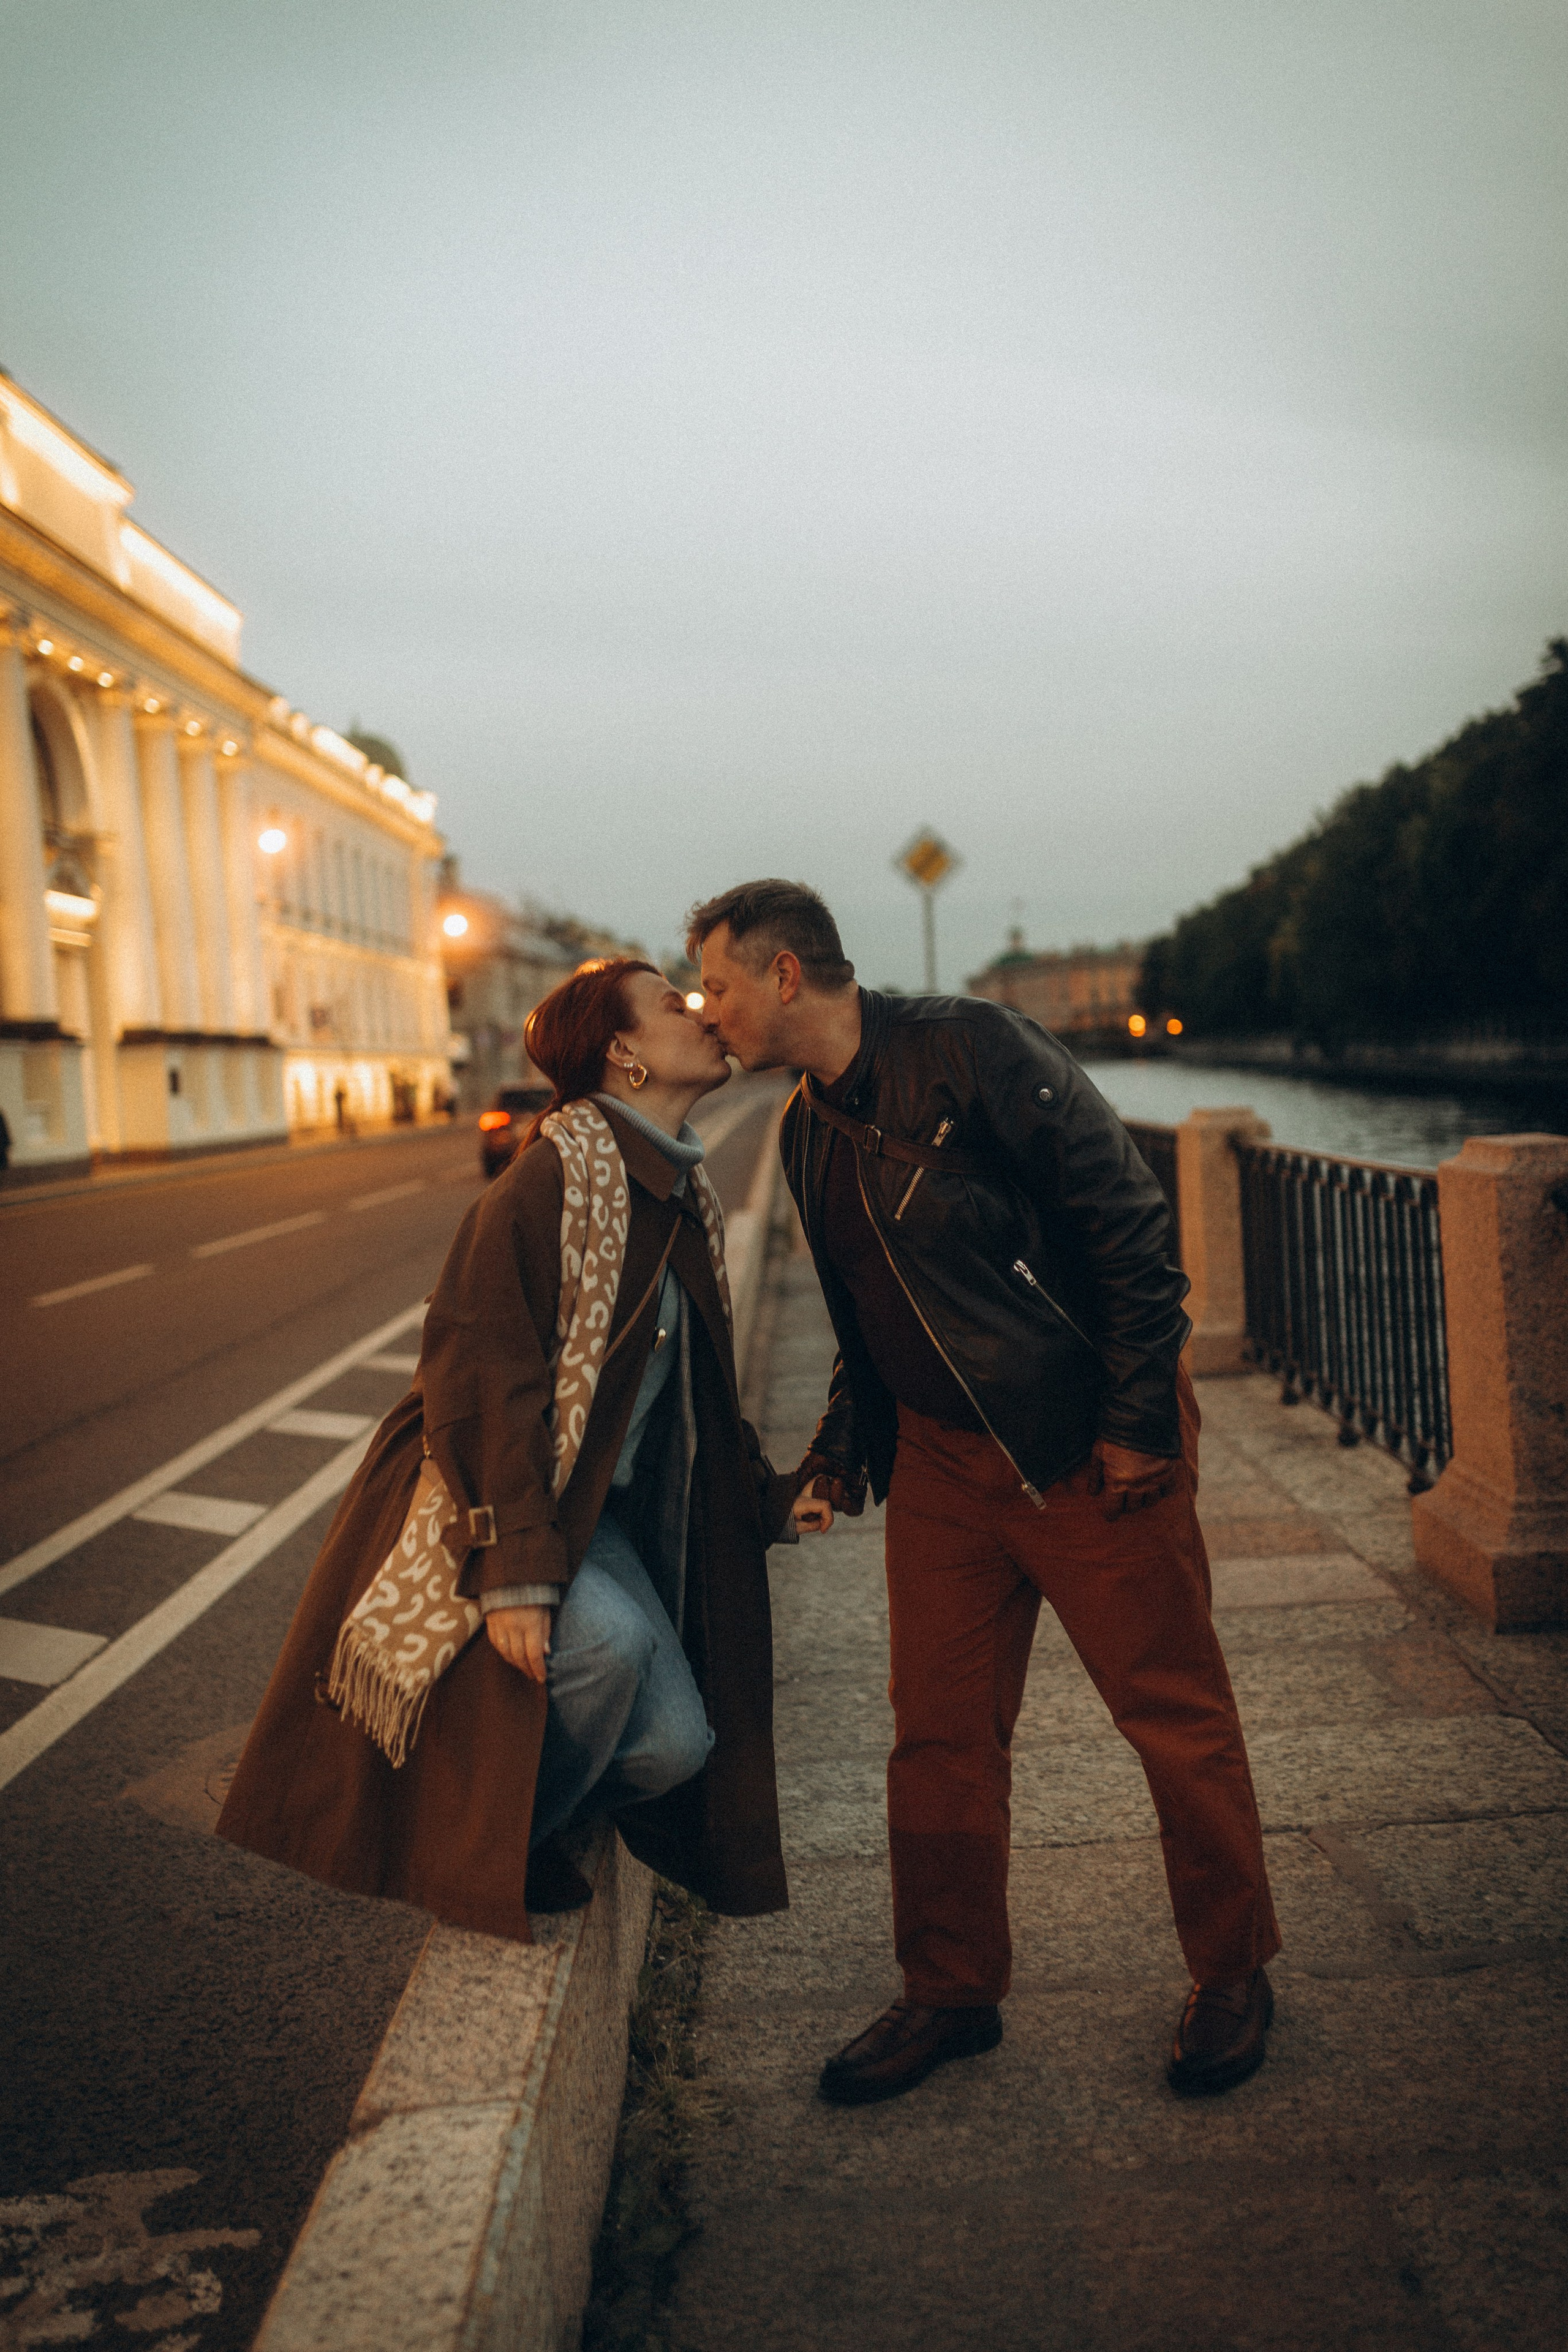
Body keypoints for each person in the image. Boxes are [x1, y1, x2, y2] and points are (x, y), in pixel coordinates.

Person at [687, 880, 1281, 2103]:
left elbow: (1129, 1230)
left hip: (1080, 1447)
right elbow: (868, 1318)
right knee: (937, 1740)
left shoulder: (971, 1050)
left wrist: (1130, 1427)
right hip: (946, 1471)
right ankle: (948, 1992)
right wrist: (846, 1448)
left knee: (1170, 1715)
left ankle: (1231, 1972)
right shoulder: (802, 1131)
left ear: (786, 975)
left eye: (720, 987)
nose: (708, 1013)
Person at [219, 958, 818, 1932]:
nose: (701, 1012)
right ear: (622, 1052)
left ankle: (511, 1821)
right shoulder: (548, 1182)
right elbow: (483, 1379)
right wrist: (516, 1570)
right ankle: (481, 1844)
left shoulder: (678, 1190)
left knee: (675, 1749)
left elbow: (694, 1404)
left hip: (602, 1510)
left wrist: (772, 1496)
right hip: (502, 1495)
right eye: (675, 1004)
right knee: (609, 1649)